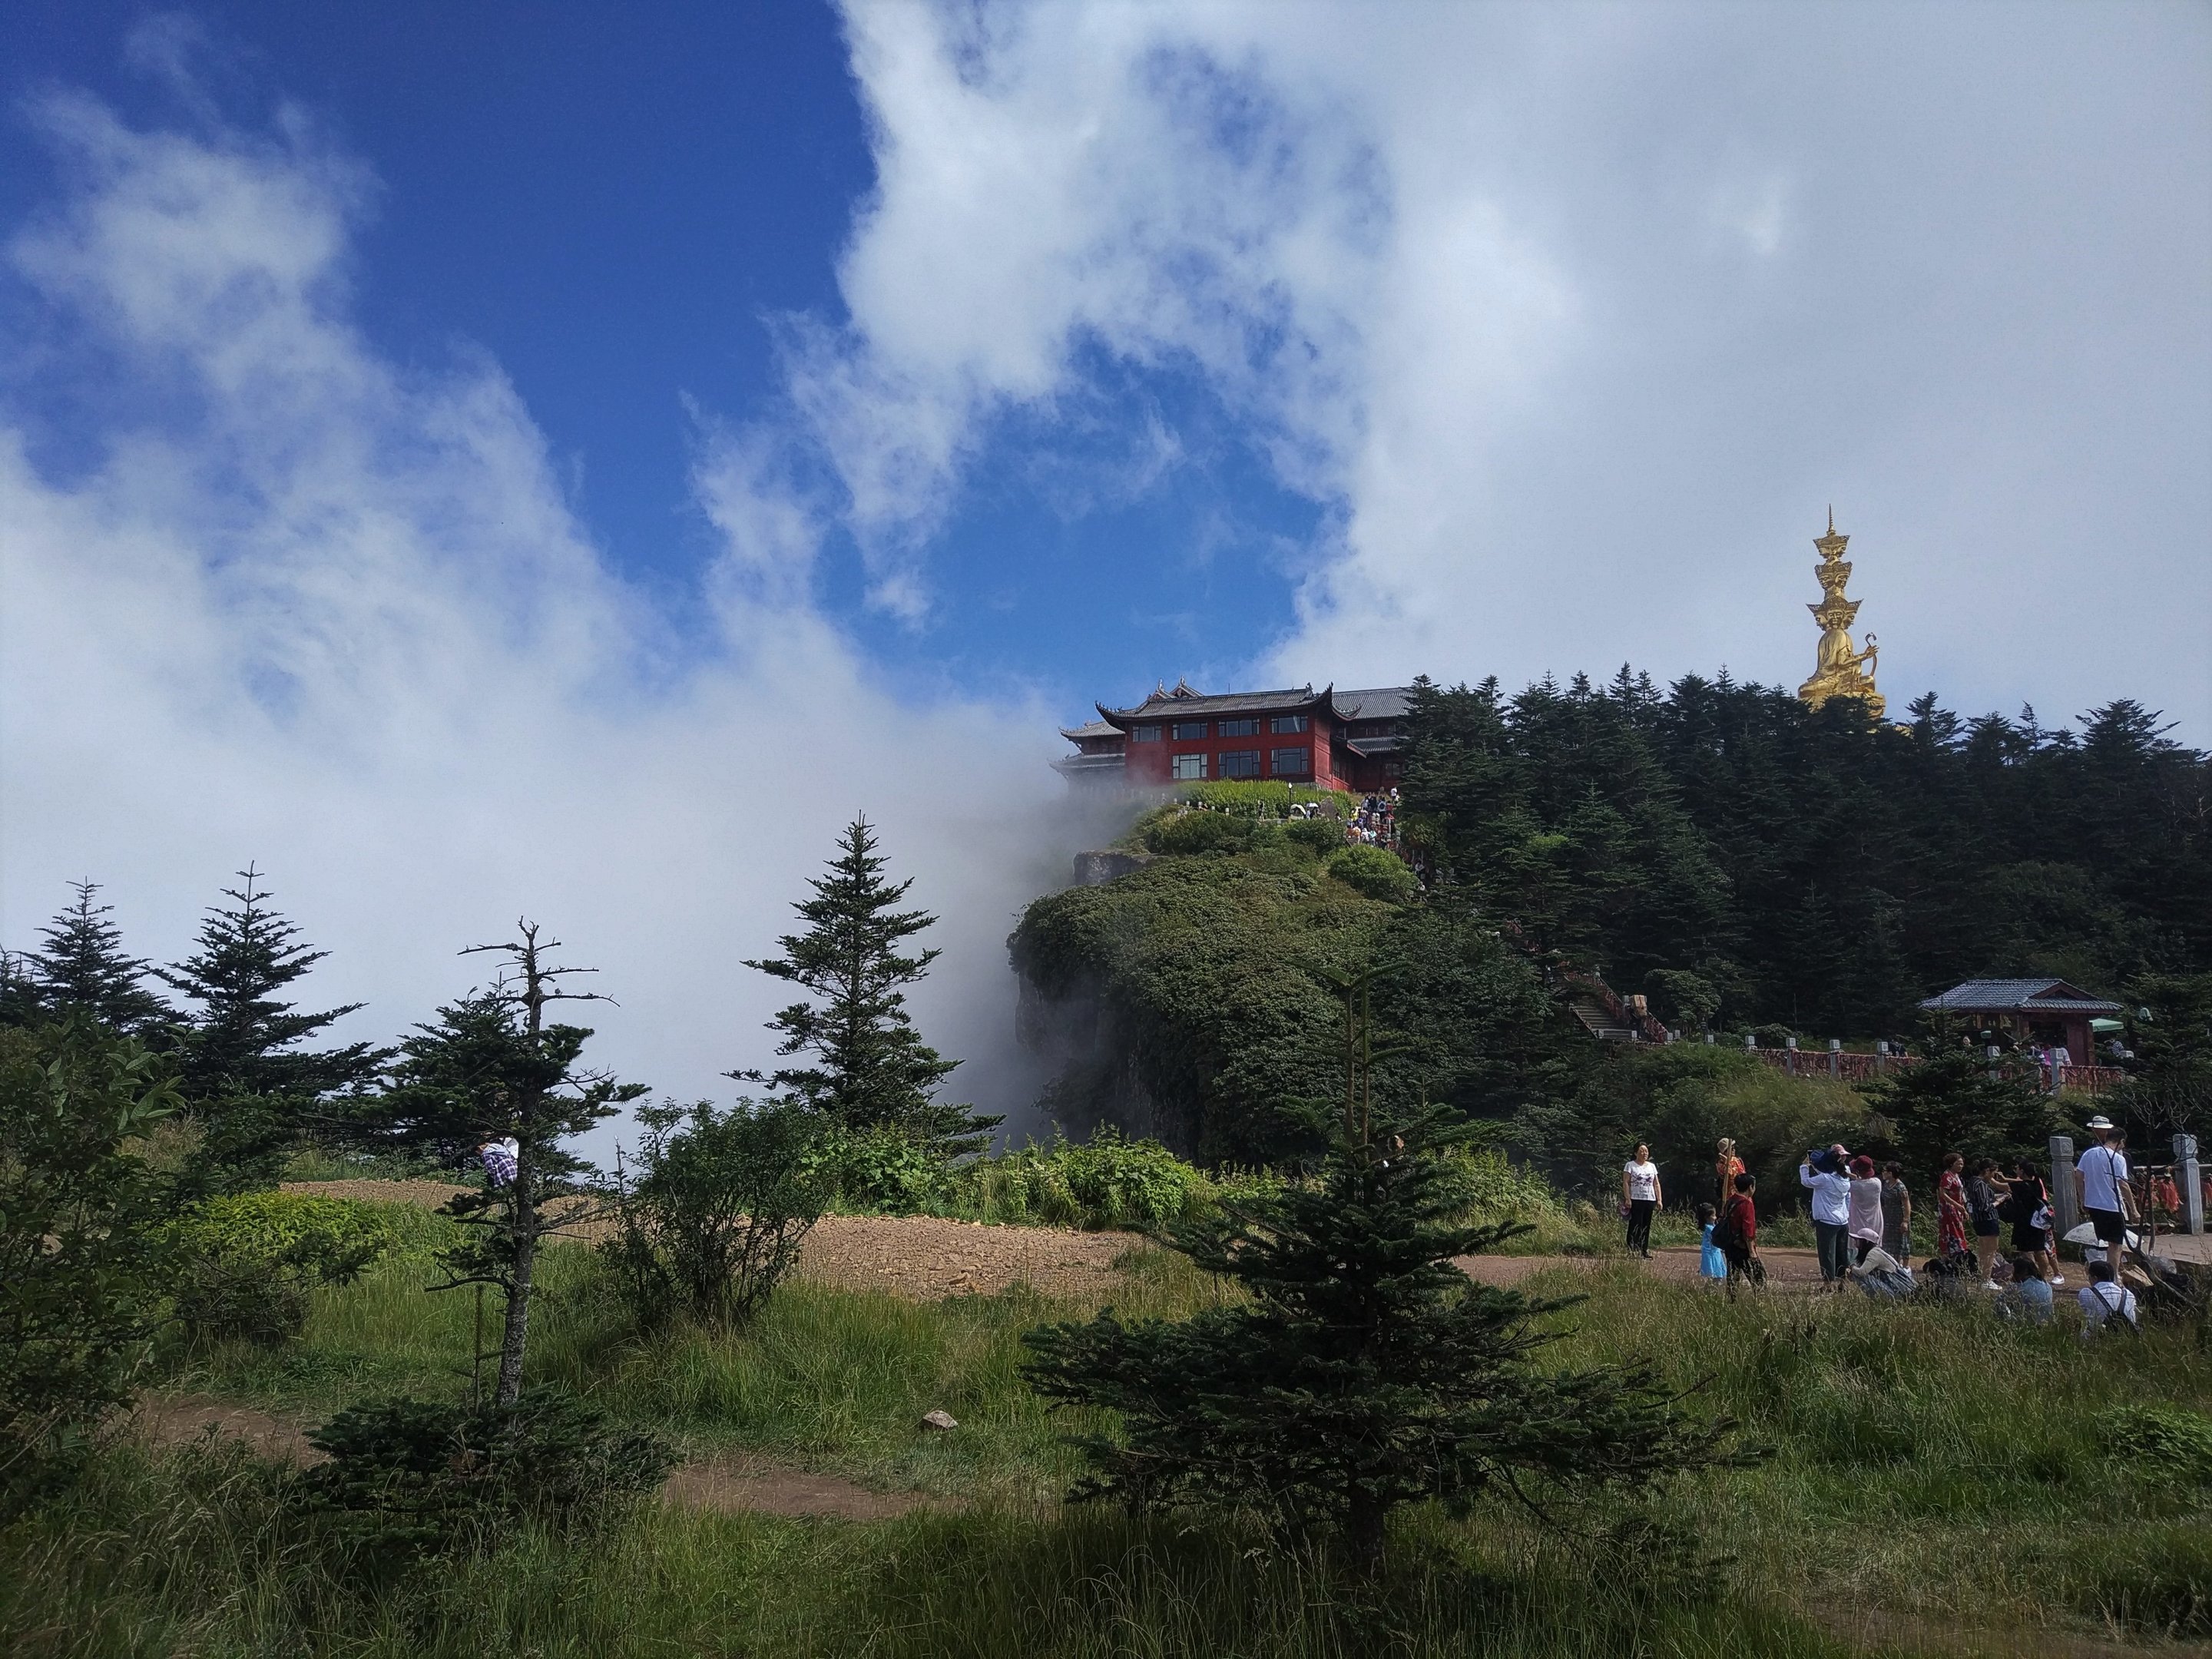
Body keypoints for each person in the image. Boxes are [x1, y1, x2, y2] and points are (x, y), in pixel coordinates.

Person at [2074, 1116, 2137, 1279]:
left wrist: (2083, 1199)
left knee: (2105, 1241)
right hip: (2111, 1205)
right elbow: (2123, 1185)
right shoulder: (2118, 1158)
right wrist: (2134, 1209)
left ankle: (2106, 1273)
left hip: (2094, 1204)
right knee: (2115, 1244)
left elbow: (2079, 1176)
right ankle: (2112, 1277)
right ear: (2121, 1141)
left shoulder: (2089, 1154)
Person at [2002, 1158, 2061, 1287]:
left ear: (2022, 1171)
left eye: (2017, 1168)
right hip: (2039, 1223)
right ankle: (2042, 1278)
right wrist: (2007, 1179)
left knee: (2027, 1252)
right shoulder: (2037, 1182)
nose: (2016, 1170)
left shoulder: (2021, 1186)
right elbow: (2018, 1181)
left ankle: (2031, 1278)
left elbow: (2000, 1186)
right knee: (2040, 1251)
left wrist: (1993, 1178)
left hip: (2025, 1223)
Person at [1800, 1148, 1853, 1289]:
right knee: (1841, 1252)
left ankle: (1828, 1285)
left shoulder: (1824, 1179)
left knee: (1827, 1253)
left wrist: (1805, 1166)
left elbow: (1806, 1181)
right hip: (1843, 1220)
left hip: (1827, 1221)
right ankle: (1843, 1282)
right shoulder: (1844, 1177)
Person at [1718, 1172, 1761, 1293]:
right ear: (1750, 1187)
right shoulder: (1747, 1204)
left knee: (1733, 1278)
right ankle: (1759, 1304)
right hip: (1742, 1247)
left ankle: (1731, 1303)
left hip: (1730, 1245)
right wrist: (1752, 1251)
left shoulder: (1730, 1201)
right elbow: (1748, 1229)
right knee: (1758, 1279)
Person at [1966, 1157, 2005, 1289]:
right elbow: (1986, 1206)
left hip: (1978, 1221)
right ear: (1987, 1171)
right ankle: (1986, 1279)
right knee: (1990, 1251)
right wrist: (2001, 1200)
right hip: (1988, 1220)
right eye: (1993, 1173)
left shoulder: (1972, 1182)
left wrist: (1999, 1196)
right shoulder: (1981, 1184)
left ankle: (1984, 1277)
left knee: (1983, 1251)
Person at [2078, 1259, 2139, 1336]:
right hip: (2127, 1336)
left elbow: (2087, 1315)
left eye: (2089, 1276)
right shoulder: (2128, 1294)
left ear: (2095, 1278)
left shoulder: (2086, 1293)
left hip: (2098, 1337)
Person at [1621, 1144, 1661, 1258]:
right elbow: (1626, 1182)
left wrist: (1659, 1200)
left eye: (1646, 1151)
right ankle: (1632, 1249)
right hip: (1635, 1199)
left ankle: (1644, 1250)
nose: (1645, 1153)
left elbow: (1656, 1183)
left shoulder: (1652, 1166)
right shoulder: (1630, 1165)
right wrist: (1627, 1198)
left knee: (1646, 1225)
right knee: (1635, 1224)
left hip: (1649, 1199)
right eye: (1642, 1151)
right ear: (1635, 1153)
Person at [1846, 1155, 1885, 1266]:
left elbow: (1857, 1182)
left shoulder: (1853, 1186)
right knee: (1873, 1250)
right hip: (1875, 1222)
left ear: (1858, 1171)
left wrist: (1844, 1174)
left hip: (1857, 1223)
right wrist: (1850, 1175)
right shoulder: (1877, 1183)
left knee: (1856, 1251)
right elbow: (1863, 1181)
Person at [1936, 1152, 1970, 1264]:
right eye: (1958, 1164)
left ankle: (1957, 1258)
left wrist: (1963, 1209)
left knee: (1958, 1231)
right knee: (1950, 1232)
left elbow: (1961, 1194)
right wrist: (1957, 1205)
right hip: (1949, 1209)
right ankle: (1948, 1258)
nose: (1961, 1166)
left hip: (1957, 1208)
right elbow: (1943, 1193)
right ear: (1951, 1164)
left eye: (1962, 1164)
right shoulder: (1947, 1176)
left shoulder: (1956, 1176)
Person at [2001, 1253, 2054, 1324]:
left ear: (2019, 1272)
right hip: (2046, 1322)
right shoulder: (2047, 1285)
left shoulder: (2018, 1288)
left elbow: (2000, 1301)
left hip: (2027, 1323)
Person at [1879, 1161, 1913, 1268]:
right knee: (1889, 1245)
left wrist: (1905, 1221)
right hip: (1888, 1218)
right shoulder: (1886, 1184)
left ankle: (1904, 1269)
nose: (1883, 1173)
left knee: (1901, 1244)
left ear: (1890, 1173)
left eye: (1885, 1171)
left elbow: (1907, 1205)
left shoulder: (1900, 1187)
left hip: (1899, 1218)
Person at [1697, 1202, 1726, 1284]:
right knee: (1717, 1277)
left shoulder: (1711, 1227)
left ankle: (1710, 1293)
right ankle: (1709, 1293)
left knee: (1716, 1277)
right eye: (1713, 1216)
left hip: (1715, 1253)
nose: (1715, 1218)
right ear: (1707, 1217)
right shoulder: (1709, 1229)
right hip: (1712, 1255)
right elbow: (1718, 1236)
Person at [1714, 1137, 1745, 1212]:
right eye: (1731, 1149)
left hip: (1742, 1191)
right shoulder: (1720, 1164)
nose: (1734, 1150)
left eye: (1734, 1148)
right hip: (1730, 1195)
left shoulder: (1737, 1160)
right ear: (1725, 1152)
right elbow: (1731, 1176)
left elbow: (1742, 1174)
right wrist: (1727, 1163)